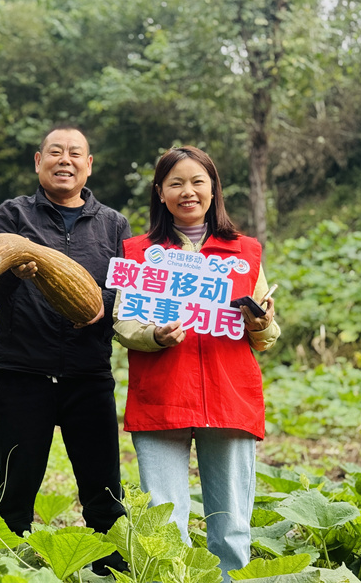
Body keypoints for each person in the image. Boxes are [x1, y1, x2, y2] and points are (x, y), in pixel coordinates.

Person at [113, 146, 280, 580]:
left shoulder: (245, 252)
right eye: (176, 183)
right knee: (165, 524)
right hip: (162, 394)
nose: (187, 191)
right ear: (160, 193)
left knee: (232, 523)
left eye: (197, 182)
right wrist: (154, 335)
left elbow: (267, 336)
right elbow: (124, 322)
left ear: (213, 189)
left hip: (229, 396)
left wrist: (261, 323)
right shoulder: (139, 253)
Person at [0, 125, 131, 574]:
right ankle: (9, 570)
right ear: (38, 161)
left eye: (74, 153)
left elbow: (127, 295)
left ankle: (111, 569)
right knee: (15, 488)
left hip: (88, 374)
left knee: (103, 490)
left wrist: (100, 305)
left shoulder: (113, 224)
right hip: (22, 372)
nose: (64, 160)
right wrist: (15, 274)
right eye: (54, 152)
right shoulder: (13, 215)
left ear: (89, 165)